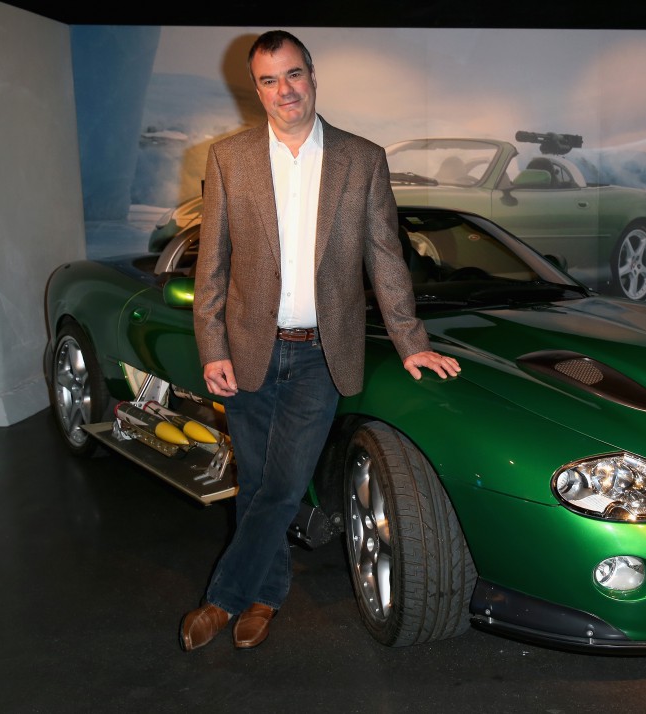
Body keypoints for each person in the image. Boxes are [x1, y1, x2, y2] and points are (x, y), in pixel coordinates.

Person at [180, 30, 461, 651]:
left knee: (283, 485)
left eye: (293, 74)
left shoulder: (362, 159)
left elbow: (386, 257)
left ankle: (222, 599)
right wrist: (213, 346)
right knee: (255, 486)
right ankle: (264, 597)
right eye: (269, 80)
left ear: (313, 75)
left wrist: (411, 340)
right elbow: (213, 265)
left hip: (319, 355)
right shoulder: (230, 158)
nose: (285, 90)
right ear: (256, 89)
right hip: (249, 347)